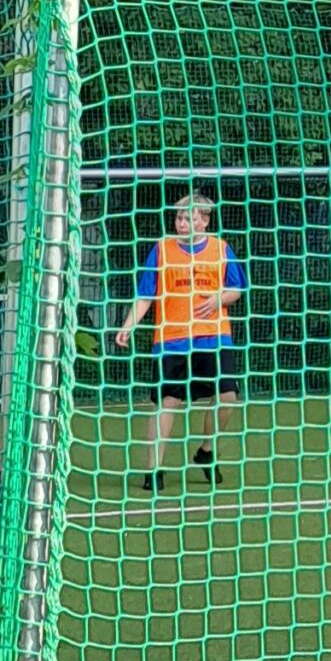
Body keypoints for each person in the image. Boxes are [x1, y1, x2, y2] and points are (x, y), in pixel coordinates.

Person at [113, 191, 245, 491]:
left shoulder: (221, 249)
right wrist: (128, 325)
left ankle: (206, 451)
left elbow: (236, 290)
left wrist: (217, 300)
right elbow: (146, 293)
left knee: (227, 397)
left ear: (205, 221)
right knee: (167, 401)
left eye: (189, 218)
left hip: (214, 338)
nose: (182, 223)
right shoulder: (161, 250)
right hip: (172, 339)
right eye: (179, 217)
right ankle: (154, 470)